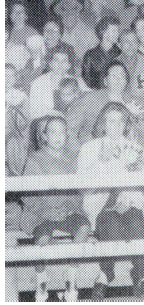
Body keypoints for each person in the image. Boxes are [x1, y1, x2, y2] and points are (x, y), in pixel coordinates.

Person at [77, 102, 144, 300]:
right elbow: (84, 188)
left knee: (137, 224)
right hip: (101, 204)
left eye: (120, 121)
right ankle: (105, 275)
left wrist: (129, 195)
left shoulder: (135, 148)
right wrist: (101, 163)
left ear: (126, 124)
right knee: (111, 225)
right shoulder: (89, 148)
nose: (116, 126)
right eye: (111, 121)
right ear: (103, 123)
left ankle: (139, 276)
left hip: (131, 202)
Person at [21, 116, 91, 302]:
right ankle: (41, 278)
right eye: (52, 132)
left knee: (84, 227)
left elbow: (78, 190)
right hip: (41, 212)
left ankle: (71, 276)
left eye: (62, 132)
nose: (58, 136)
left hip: (67, 210)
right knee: (42, 238)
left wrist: (71, 207)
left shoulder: (72, 159)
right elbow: (26, 193)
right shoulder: (35, 159)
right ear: (44, 136)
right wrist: (45, 212)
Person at [29, 45, 77, 119]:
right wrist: (51, 113)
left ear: (69, 65)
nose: (60, 64)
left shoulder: (75, 82)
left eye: (64, 61)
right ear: (50, 63)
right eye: (56, 60)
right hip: (44, 122)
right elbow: (33, 112)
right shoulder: (37, 83)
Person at [81, 16, 122, 89]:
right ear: (103, 32)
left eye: (118, 30)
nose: (117, 34)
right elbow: (86, 81)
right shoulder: (90, 55)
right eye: (114, 30)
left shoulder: (120, 53)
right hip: (96, 96)